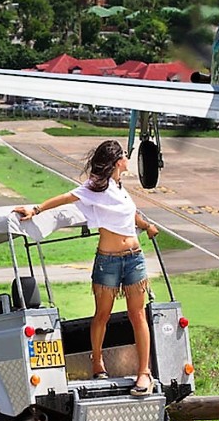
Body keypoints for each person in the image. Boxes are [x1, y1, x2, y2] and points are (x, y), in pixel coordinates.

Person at [14, 140, 159, 397]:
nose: (128, 159)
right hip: (109, 260)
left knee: (138, 316)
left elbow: (130, 215)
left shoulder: (120, 188)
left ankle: (143, 373)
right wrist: (35, 209)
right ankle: (97, 361)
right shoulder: (95, 188)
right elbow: (66, 197)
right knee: (102, 314)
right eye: (125, 155)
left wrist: (146, 226)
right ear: (117, 162)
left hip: (135, 258)